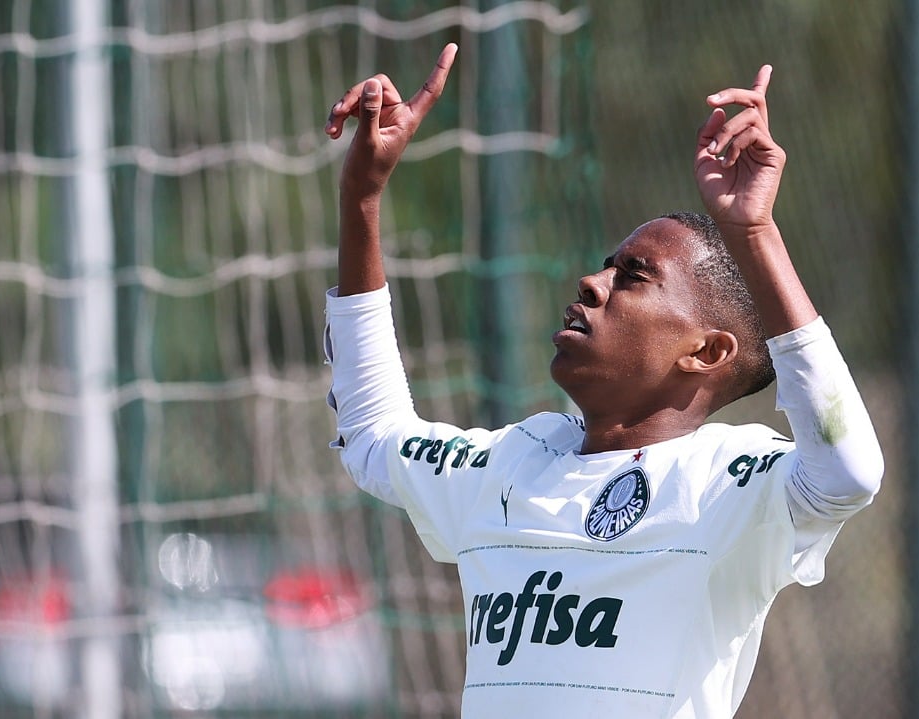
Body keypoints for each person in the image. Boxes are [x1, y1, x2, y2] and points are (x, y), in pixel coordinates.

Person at [322, 43, 882, 718]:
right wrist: (361, 198)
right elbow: (373, 434)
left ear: (706, 351)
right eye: (606, 265)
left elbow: (848, 469)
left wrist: (755, 231)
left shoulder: (727, 484)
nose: (593, 281)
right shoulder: (503, 468)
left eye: (634, 275)